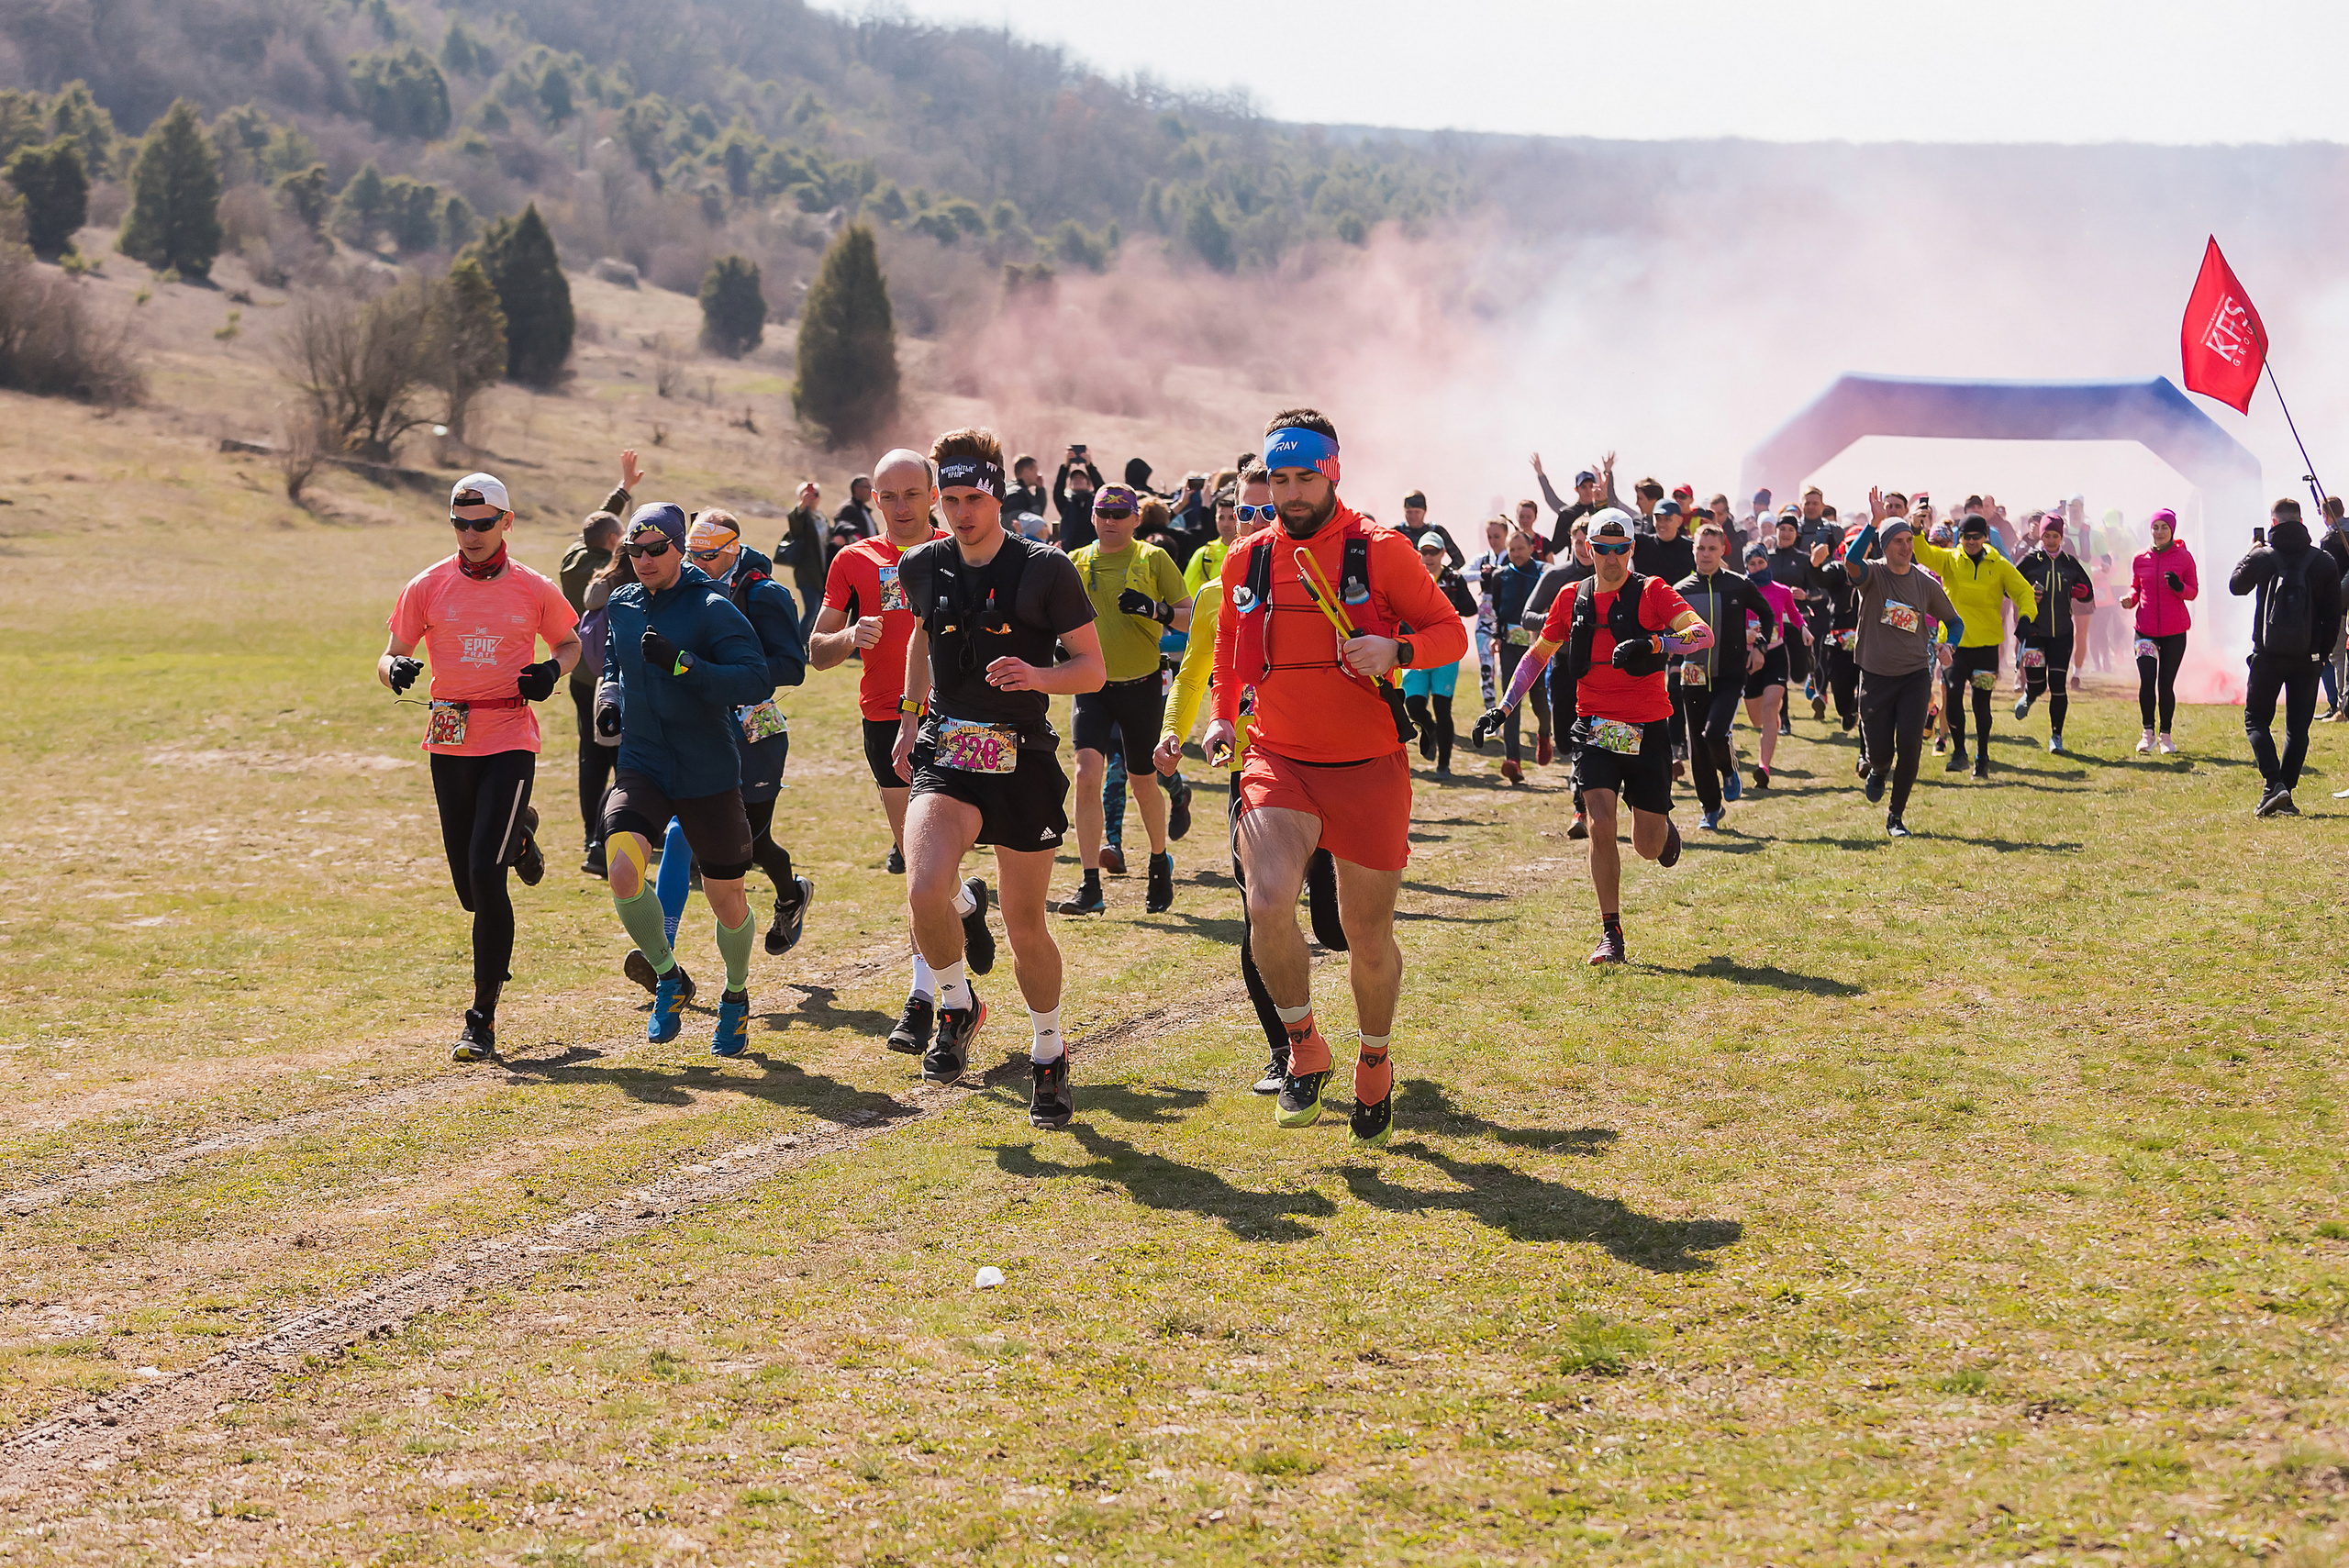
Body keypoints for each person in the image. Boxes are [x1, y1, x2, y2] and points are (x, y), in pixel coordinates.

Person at [1205, 409, 1467, 1145]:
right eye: (1278, 479)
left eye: (1303, 477)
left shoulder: (1381, 551)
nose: (1289, 494)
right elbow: (1229, 648)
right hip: (1277, 759)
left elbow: (1451, 630)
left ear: (1333, 472)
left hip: (1368, 766)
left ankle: (1375, 1056)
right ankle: (1303, 1043)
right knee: (1266, 902)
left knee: (1367, 936)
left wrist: (1398, 649)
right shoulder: (1245, 558)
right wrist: (1224, 716)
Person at [892, 428, 1106, 1128]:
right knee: (924, 888)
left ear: (999, 496)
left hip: (1022, 759)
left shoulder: (1047, 569)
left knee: (1024, 925)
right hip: (948, 748)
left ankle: (1049, 1050)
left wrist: (1037, 674)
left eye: (973, 498)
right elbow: (922, 637)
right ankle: (957, 1005)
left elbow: (1092, 668)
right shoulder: (922, 564)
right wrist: (907, 718)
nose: (961, 512)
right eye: (949, 498)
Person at [1157, 463, 1345, 1095]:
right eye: (1247, 513)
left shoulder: (1324, 580)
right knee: (1260, 913)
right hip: (1252, 776)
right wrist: (1173, 730)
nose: (1260, 523)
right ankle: (1286, 1048)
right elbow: (1196, 673)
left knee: (1333, 925)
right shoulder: (1217, 594)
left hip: (1324, 769)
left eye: (1270, 512)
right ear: (1227, 518)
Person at [381, 473, 580, 1062]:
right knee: (470, 889)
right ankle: (519, 837)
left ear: (506, 522)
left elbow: (570, 643)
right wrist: (394, 670)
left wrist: (551, 671)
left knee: (485, 875)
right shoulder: (427, 586)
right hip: (449, 734)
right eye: (459, 524)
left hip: (510, 734)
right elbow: (393, 650)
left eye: (481, 523)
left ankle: (481, 1016)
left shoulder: (535, 588)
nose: (469, 535)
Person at [1472, 511, 1709, 962]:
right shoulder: (1570, 597)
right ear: (1588, 549)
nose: (1611, 558)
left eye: (1620, 549)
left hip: (1647, 729)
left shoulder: (1654, 591)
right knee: (1600, 823)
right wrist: (1503, 708)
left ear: (1632, 550)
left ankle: (1661, 828)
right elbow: (1536, 656)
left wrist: (1657, 644)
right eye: (1602, 548)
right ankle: (1611, 934)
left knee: (1647, 845)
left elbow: (1703, 634)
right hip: (1595, 727)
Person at [594, 503, 774, 1058]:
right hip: (643, 762)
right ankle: (669, 977)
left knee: (728, 900)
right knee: (622, 868)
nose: (644, 561)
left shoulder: (712, 606)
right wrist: (609, 697)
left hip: (707, 769)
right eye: (635, 551)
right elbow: (612, 662)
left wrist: (683, 664)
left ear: (678, 547)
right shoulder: (622, 604)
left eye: (656, 550)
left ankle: (736, 995)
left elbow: (755, 678)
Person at [808, 449, 953, 1047]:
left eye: (911, 494)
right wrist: (849, 634)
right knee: (921, 866)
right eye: (888, 496)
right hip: (885, 720)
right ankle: (927, 994)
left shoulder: (958, 553)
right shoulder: (853, 559)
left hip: (955, 718)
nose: (900, 507)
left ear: (933, 495)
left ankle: (951, 939)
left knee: (938, 864)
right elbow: (816, 650)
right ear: (874, 500)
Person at [1057, 482, 1192, 916]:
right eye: (1103, 513)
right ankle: (1090, 884)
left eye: (1120, 514)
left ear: (1137, 518)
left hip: (1142, 686)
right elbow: (1051, 616)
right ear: (1093, 517)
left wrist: (1157, 611)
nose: (1111, 521)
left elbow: (1190, 614)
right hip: (1092, 688)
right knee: (1086, 774)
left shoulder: (1154, 558)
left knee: (1142, 780)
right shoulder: (1076, 562)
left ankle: (1158, 863)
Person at [682, 512, 814, 954]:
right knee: (693, 838)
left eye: (708, 556)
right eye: (691, 555)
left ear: (733, 549)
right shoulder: (689, 589)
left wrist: (729, 676)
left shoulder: (765, 594)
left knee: (752, 842)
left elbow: (792, 667)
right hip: (704, 728)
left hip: (757, 730)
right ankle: (661, 945)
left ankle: (791, 895)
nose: (697, 563)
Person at [1843, 498, 1963, 837]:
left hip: (1914, 676)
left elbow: (1954, 623)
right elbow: (1851, 562)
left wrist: (1947, 645)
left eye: (1910, 540)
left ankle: (1896, 817)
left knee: (1910, 745)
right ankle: (1879, 769)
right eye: (1898, 541)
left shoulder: (1926, 584)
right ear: (1885, 546)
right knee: (1881, 752)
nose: (1907, 547)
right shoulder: (1873, 575)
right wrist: (1874, 522)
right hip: (1876, 677)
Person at [2229, 499, 2343, 816]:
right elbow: (2333, 615)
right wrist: (2321, 657)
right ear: (2302, 521)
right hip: (2309, 658)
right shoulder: (2324, 561)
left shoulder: (2264, 556)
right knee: (2298, 729)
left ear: (2274, 523)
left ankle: (2273, 786)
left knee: (2256, 720)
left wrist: (2252, 551)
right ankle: (2284, 793)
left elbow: (2236, 586)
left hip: (2268, 654)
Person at [1911, 512, 2035, 780]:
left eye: (1976, 537)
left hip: (1987, 646)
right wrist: (1916, 530)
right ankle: (1959, 753)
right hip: (1953, 647)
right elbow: (1922, 555)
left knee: (1982, 704)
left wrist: (2026, 617)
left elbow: (2024, 591)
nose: (1970, 542)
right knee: (1952, 695)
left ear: (1985, 538)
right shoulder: (1949, 560)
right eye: (1966, 537)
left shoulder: (1999, 564)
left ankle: (1982, 755)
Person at [560, 450, 638, 877]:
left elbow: (595, 529)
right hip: (617, 677)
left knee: (590, 757)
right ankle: (612, 837)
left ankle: (592, 833)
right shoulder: (620, 573)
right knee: (625, 757)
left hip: (582, 677)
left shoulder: (574, 561)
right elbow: (610, 537)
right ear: (616, 543)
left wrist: (622, 491)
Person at [1671, 524, 1774, 828]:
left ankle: (1729, 770)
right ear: (1693, 550)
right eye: (1701, 548)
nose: (1705, 554)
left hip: (1730, 673)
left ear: (1722, 551)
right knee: (1698, 746)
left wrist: (1760, 648)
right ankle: (1711, 809)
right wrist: (1670, 655)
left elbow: (1766, 614)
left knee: (1714, 734)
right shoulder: (1679, 591)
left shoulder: (1739, 585)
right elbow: (1667, 629)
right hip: (1693, 676)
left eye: (1712, 549)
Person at [2011, 509, 2094, 752]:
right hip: (2035, 632)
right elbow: (2009, 587)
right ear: (2041, 535)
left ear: (2061, 536)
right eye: (2046, 535)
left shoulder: (2070, 563)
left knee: (2058, 684)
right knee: (2038, 684)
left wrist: (2080, 591)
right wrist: (2027, 593)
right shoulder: (2030, 560)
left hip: (2062, 634)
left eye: (2055, 536)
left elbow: (2087, 590)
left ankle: (2056, 737)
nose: (2050, 540)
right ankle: (2030, 694)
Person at [2121, 507, 2199, 754]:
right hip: (2145, 630)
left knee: (2165, 684)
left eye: (2164, 527)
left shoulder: (2184, 558)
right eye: (2156, 527)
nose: (2160, 532)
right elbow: (2136, 589)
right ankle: (2147, 734)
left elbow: (2192, 592)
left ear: (2172, 530)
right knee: (2146, 680)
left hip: (2175, 631)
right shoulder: (2139, 558)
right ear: (2150, 530)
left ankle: (2166, 737)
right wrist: (2129, 599)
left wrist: (2178, 586)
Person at [1406, 535, 1478, 774]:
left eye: (1433, 552)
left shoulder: (1453, 579)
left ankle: (1444, 766)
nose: (1428, 557)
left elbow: (1470, 608)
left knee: (1442, 706)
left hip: (1445, 651)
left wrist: (1449, 606)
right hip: (1416, 649)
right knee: (1413, 706)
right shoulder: (1410, 577)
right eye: (1424, 551)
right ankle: (1430, 728)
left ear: (1442, 553)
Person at [1483, 526, 1548, 783]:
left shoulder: (1543, 573)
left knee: (1540, 699)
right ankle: (1514, 761)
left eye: (1521, 549)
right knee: (1510, 701)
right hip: (1510, 645)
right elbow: (1498, 611)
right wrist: (1497, 636)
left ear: (1532, 549)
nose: (1517, 554)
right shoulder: (1500, 576)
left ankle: (1544, 733)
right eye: (1512, 549)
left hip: (1538, 645)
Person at [1741, 542, 1801, 789]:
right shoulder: (1740, 589)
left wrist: (1804, 630)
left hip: (1775, 654)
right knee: (1758, 719)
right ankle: (1770, 725)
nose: (1757, 568)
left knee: (1769, 708)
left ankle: (1763, 766)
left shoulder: (1781, 590)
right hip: (1748, 659)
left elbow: (1794, 614)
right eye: (1752, 564)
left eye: (1761, 563)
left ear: (1767, 562)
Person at [1532, 450, 1620, 556]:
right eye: (1583, 487)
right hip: (1577, 564)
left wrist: (1608, 471)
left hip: (1599, 562)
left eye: (1591, 486)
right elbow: (1555, 548)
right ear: (1576, 489)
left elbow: (1610, 497)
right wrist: (1573, 530)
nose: (1588, 491)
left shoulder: (1601, 511)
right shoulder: (1567, 514)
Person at [1464, 516, 1512, 707]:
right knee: (1486, 669)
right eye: (1490, 537)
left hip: (1508, 620)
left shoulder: (1513, 556)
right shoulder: (1483, 558)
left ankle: (1508, 713)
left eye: (1497, 536)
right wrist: (1482, 574)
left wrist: (1498, 572)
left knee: (1507, 671)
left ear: (1506, 535)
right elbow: (1462, 574)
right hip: (1484, 620)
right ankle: (1490, 715)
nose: (1493, 541)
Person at [775, 480, 828, 625]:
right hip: (807, 572)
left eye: (815, 494)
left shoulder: (821, 518)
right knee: (812, 609)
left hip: (822, 571)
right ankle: (799, 643)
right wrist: (802, 505)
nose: (812, 498)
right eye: (807, 495)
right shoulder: (801, 517)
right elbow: (795, 525)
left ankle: (810, 641)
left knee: (820, 611)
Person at [1396, 489, 1467, 567]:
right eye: (1409, 512)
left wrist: (1442, 575)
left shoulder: (1437, 531)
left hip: (1431, 577)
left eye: (1417, 512)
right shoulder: (1395, 533)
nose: (1413, 516)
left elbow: (1459, 560)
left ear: (1424, 511)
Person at [1053, 447, 1104, 551]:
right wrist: (1066, 466)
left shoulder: (1094, 501)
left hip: (1093, 549)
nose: (1078, 480)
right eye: (1075, 479)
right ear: (1070, 484)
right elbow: (1057, 491)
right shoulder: (1066, 504)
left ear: (1088, 483)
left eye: (1081, 478)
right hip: (1071, 550)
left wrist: (1089, 466)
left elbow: (1102, 490)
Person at [829, 475, 879, 553]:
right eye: (867, 487)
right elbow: (841, 533)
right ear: (857, 488)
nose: (870, 490)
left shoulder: (864, 510)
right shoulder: (848, 509)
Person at [1005, 453, 1049, 530]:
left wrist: (1040, 490)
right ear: (1026, 471)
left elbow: (1038, 514)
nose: (1038, 475)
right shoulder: (1015, 494)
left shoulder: (1023, 492)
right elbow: (1022, 526)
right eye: (1035, 471)